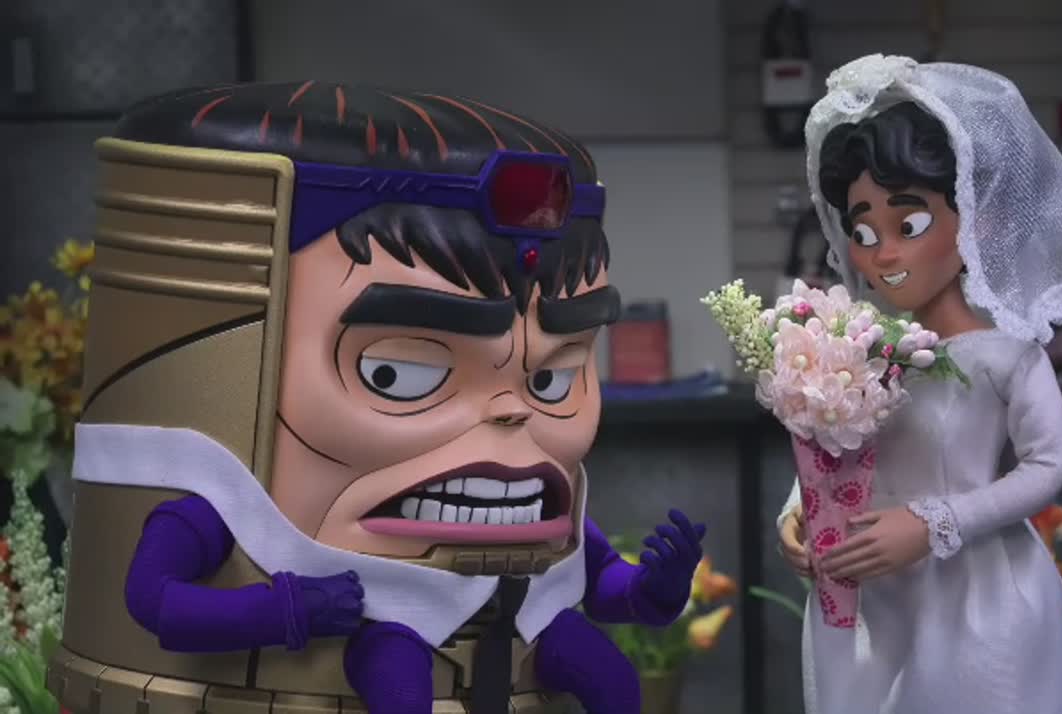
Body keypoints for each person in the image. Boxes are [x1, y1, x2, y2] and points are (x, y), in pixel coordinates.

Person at [58, 81, 705, 714]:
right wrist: (288, 608)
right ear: (235, 362)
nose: (512, 410)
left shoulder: (539, 513)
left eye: (550, 380)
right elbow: (154, 604)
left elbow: (611, 590)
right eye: (398, 374)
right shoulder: (213, 502)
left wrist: (657, 586)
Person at [775, 55, 1062, 713]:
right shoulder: (862, 353)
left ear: (974, 223)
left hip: (977, 596)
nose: (884, 253)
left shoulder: (1005, 355)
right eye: (864, 231)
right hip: (876, 598)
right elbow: (832, 450)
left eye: (910, 225)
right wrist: (799, 514)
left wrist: (935, 522)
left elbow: (1047, 464)